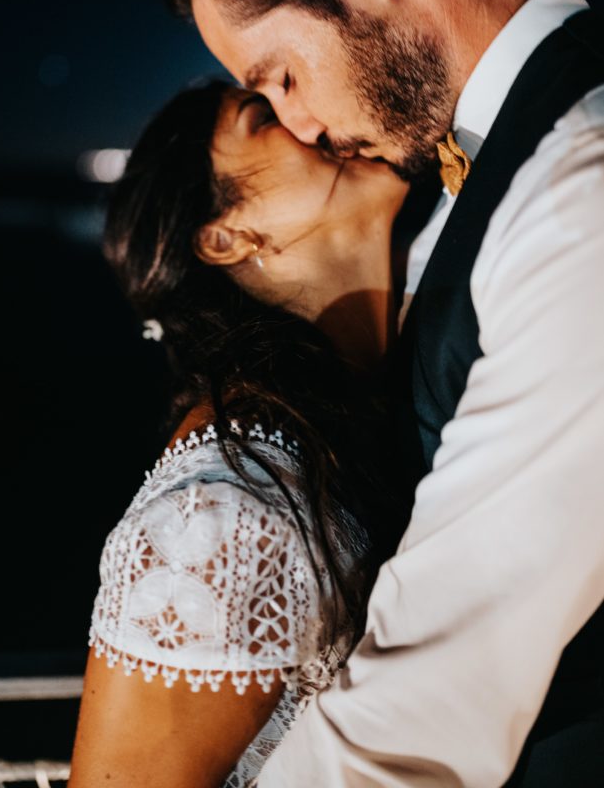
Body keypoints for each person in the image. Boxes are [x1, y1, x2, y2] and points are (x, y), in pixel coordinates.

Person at [152, 0, 604, 786]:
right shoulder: (461, 190)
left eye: (279, 74)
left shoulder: (582, 195)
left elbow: (434, 696)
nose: (300, 126)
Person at [67, 77, 418, 787]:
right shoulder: (218, 519)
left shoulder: (370, 418)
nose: (315, 111)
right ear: (225, 236)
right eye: (264, 117)